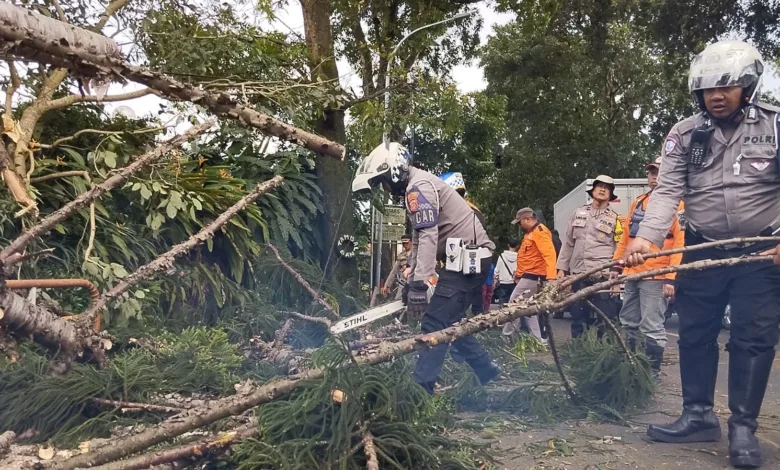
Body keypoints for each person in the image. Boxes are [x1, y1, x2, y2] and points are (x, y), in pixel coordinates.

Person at [622, 41, 780, 468]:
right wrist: (648, 238)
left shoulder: (775, 125)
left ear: (747, 85)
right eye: (709, 88)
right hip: (702, 247)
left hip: (762, 253)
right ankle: (697, 415)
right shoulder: (684, 133)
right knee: (694, 332)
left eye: (727, 86)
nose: (716, 95)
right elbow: (669, 190)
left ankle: (743, 429)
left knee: (752, 338)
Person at [352, 143, 500, 394]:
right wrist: (413, 279)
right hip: (461, 260)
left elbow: (429, 235)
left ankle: (421, 390)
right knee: (448, 319)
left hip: (469, 261)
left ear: (394, 171)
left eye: (383, 182)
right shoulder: (417, 185)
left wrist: (420, 282)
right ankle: (485, 368)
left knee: (435, 322)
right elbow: (419, 238)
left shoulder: (418, 188)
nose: (385, 189)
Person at [611, 157, 684, 380]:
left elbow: (681, 243)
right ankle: (630, 367)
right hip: (632, 273)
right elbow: (626, 239)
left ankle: (651, 373)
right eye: (651, 172)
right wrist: (617, 265)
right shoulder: (638, 203)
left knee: (651, 326)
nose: (654, 175)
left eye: (659, 172)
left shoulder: (679, 205)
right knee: (629, 322)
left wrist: (671, 278)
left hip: (656, 275)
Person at [556, 175, 623, 338]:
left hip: (603, 276)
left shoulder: (616, 219)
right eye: (599, 186)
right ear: (592, 190)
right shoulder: (577, 214)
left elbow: (619, 248)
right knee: (578, 319)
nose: (602, 189)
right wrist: (561, 269)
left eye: (606, 188)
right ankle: (578, 352)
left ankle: (604, 356)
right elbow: (568, 243)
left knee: (605, 320)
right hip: (579, 274)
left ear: (611, 194)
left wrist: (617, 279)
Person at [501, 208, 557, 343]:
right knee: (528, 310)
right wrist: (519, 273)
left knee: (514, 304)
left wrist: (551, 278)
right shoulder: (530, 233)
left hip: (533, 277)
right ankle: (537, 339)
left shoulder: (540, 232)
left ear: (527, 219)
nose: (519, 226)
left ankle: (507, 336)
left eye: (520, 222)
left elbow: (549, 255)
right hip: (528, 276)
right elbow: (528, 257)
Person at [382, 234, 413, 300]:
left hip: (416, 283)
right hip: (403, 283)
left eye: (406, 243)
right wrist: (387, 285)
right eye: (403, 243)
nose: (405, 245)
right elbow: (394, 271)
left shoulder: (418, 254)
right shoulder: (401, 256)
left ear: (411, 242)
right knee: (398, 301)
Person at [494, 238, 519, 305]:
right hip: (514, 283)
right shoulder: (519, 257)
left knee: (502, 302)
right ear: (517, 246)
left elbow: (497, 270)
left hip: (503, 283)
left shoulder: (502, 256)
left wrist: (495, 280)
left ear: (508, 245)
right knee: (513, 302)